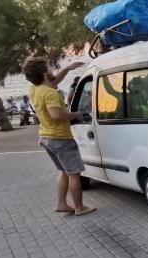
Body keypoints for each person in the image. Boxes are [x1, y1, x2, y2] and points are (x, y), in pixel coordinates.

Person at [23, 57, 94, 216]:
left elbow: (53, 80)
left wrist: (68, 68)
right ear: (44, 72)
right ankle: (80, 207)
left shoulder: (35, 89)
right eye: (48, 68)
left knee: (63, 171)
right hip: (60, 138)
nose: (51, 70)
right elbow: (56, 114)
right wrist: (77, 114)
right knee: (74, 173)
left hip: (46, 137)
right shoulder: (51, 93)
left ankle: (61, 204)